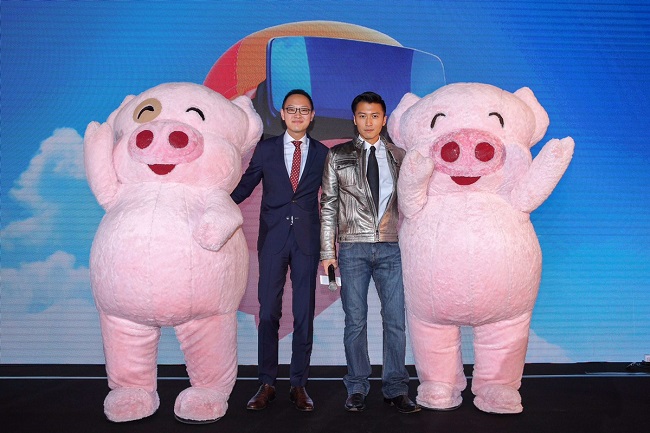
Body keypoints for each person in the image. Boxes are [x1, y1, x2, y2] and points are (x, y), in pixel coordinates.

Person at [320, 91, 419, 413]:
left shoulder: (400, 155)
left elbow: (412, 203)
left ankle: (396, 388)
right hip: (352, 248)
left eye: (374, 116)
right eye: (362, 115)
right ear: (354, 119)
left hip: (391, 247)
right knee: (355, 321)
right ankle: (357, 387)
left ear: (384, 119)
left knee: (395, 321)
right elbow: (328, 205)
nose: (368, 122)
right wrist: (327, 252)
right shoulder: (338, 155)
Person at [231, 89, 328, 412]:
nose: (298, 115)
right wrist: (216, 203)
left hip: (307, 242)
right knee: (269, 312)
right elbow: (245, 187)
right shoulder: (266, 149)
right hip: (273, 241)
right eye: (292, 109)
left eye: (304, 110)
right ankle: (267, 383)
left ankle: (299, 384)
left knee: (303, 314)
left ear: (312, 116)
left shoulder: (322, 153)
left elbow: (332, 199)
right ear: (283, 114)